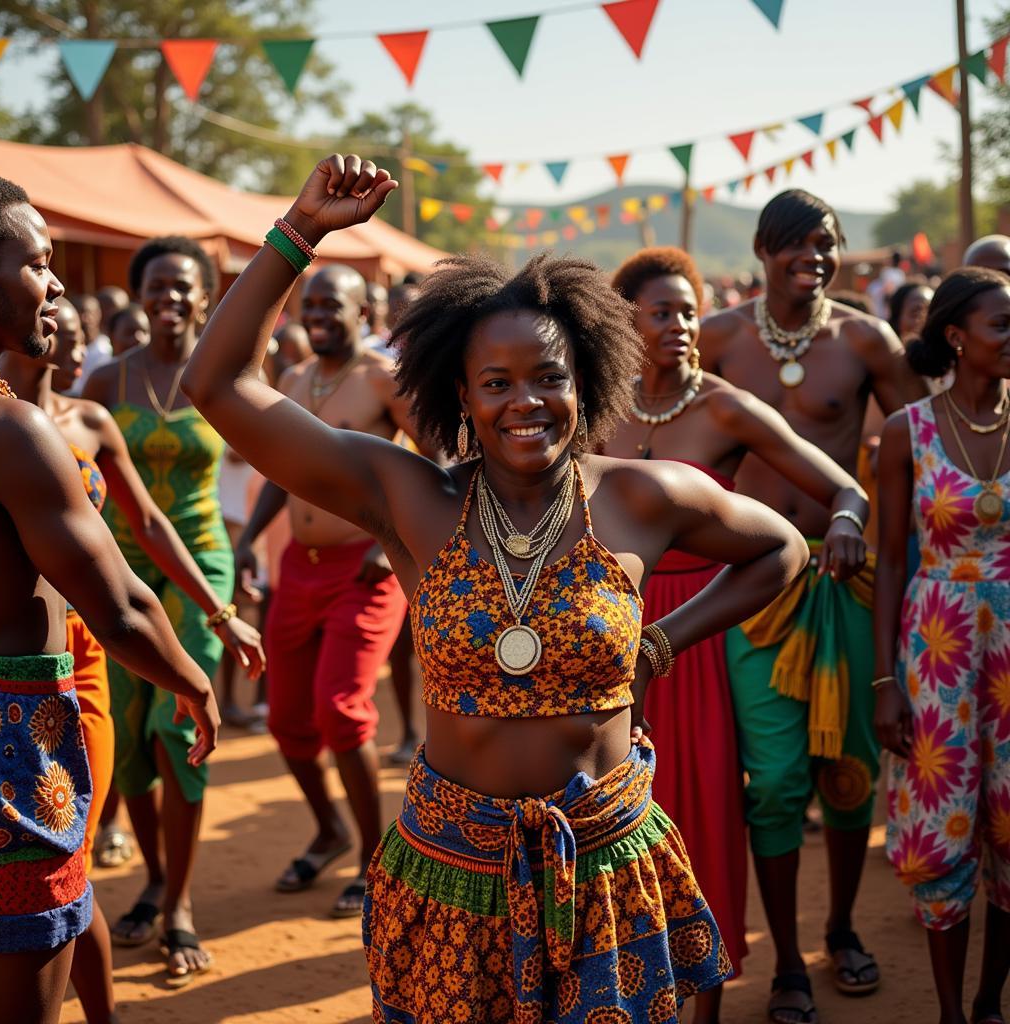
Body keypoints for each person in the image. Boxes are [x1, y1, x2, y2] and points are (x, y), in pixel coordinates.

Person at [182, 153, 810, 1022]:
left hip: (606, 862)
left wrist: (663, 640)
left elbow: (781, 549)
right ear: (461, 396)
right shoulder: (411, 499)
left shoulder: (637, 496)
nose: (528, 402)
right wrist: (301, 233)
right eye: (498, 383)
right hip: (452, 874)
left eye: (550, 377)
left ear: (585, 380)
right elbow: (217, 384)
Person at [604, 246, 869, 1024]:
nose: (684, 325)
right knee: (616, 819)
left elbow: (840, 484)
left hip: (706, 631)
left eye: (690, 310)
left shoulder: (724, 406)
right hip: (611, 636)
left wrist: (849, 518)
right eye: (664, 311)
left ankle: (709, 1006)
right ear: (625, 320)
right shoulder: (592, 403)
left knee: (709, 814)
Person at [0, 175, 220, 1024]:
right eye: (38, 263)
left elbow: (147, 528)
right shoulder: (9, 431)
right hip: (11, 743)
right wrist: (193, 680)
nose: (55, 285)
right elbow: (117, 603)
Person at [699, 188, 926, 1024]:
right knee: (776, 780)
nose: (815, 258)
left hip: (847, 585)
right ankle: (788, 960)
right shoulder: (718, 340)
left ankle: (838, 931)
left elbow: (922, 434)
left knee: (848, 775)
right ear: (762, 250)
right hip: (753, 587)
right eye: (796, 244)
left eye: (826, 244)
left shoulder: (866, 338)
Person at [0, 298, 263, 1014]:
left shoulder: (89, 422)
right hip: (22, 668)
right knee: (54, 867)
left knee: (70, 854)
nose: (70, 340)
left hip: (81, 657)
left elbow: (142, 525)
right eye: (58, 320)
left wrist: (219, 612)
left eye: (80, 334)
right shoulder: (6, 425)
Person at [234, 263, 417, 916]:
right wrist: (249, 539)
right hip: (299, 567)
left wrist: (388, 543)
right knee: (286, 721)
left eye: (329, 304)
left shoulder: (381, 379)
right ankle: (329, 829)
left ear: (360, 312)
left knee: (341, 710)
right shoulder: (290, 379)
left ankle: (378, 859)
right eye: (307, 303)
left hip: (366, 570)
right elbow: (281, 474)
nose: (315, 314)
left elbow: (438, 462)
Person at [83, 235, 238, 984]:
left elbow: (273, 455)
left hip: (201, 565)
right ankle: (150, 873)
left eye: (186, 288)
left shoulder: (221, 376)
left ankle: (177, 903)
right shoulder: (108, 381)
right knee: (130, 742)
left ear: (206, 297)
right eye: (159, 286)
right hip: (118, 571)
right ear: (139, 295)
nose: (171, 299)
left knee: (175, 727)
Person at [874, 267, 1010, 1024]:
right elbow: (892, 558)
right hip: (939, 649)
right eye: (1003, 325)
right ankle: (953, 1013)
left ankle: (992, 1000)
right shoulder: (907, 432)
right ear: (957, 337)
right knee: (945, 826)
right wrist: (883, 681)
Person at [68, 293, 112, 396]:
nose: (85, 318)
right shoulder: (67, 351)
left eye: (90, 313)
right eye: (80, 313)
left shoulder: (109, 349)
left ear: (99, 314)